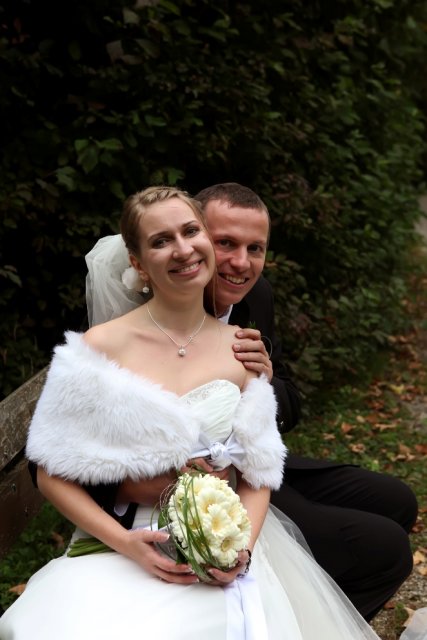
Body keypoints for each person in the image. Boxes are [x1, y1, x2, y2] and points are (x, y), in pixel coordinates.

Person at [1, 184, 419, 640]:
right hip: (125, 541)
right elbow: (50, 471)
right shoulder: (98, 347)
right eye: (161, 241)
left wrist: (241, 550)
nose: (183, 249)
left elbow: (260, 470)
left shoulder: (241, 348)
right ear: (137, 263)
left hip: (223, 540)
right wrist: (127, 543)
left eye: (190, 231)